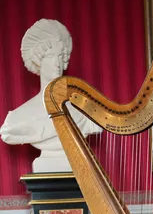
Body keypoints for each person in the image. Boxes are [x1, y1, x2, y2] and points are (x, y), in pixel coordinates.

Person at [0, 19, 101, 172]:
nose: (57, 63)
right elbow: (8, 134)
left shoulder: (82, 111)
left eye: (60, 57)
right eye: (50, 56)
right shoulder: (17, 119)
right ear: (38, 61)